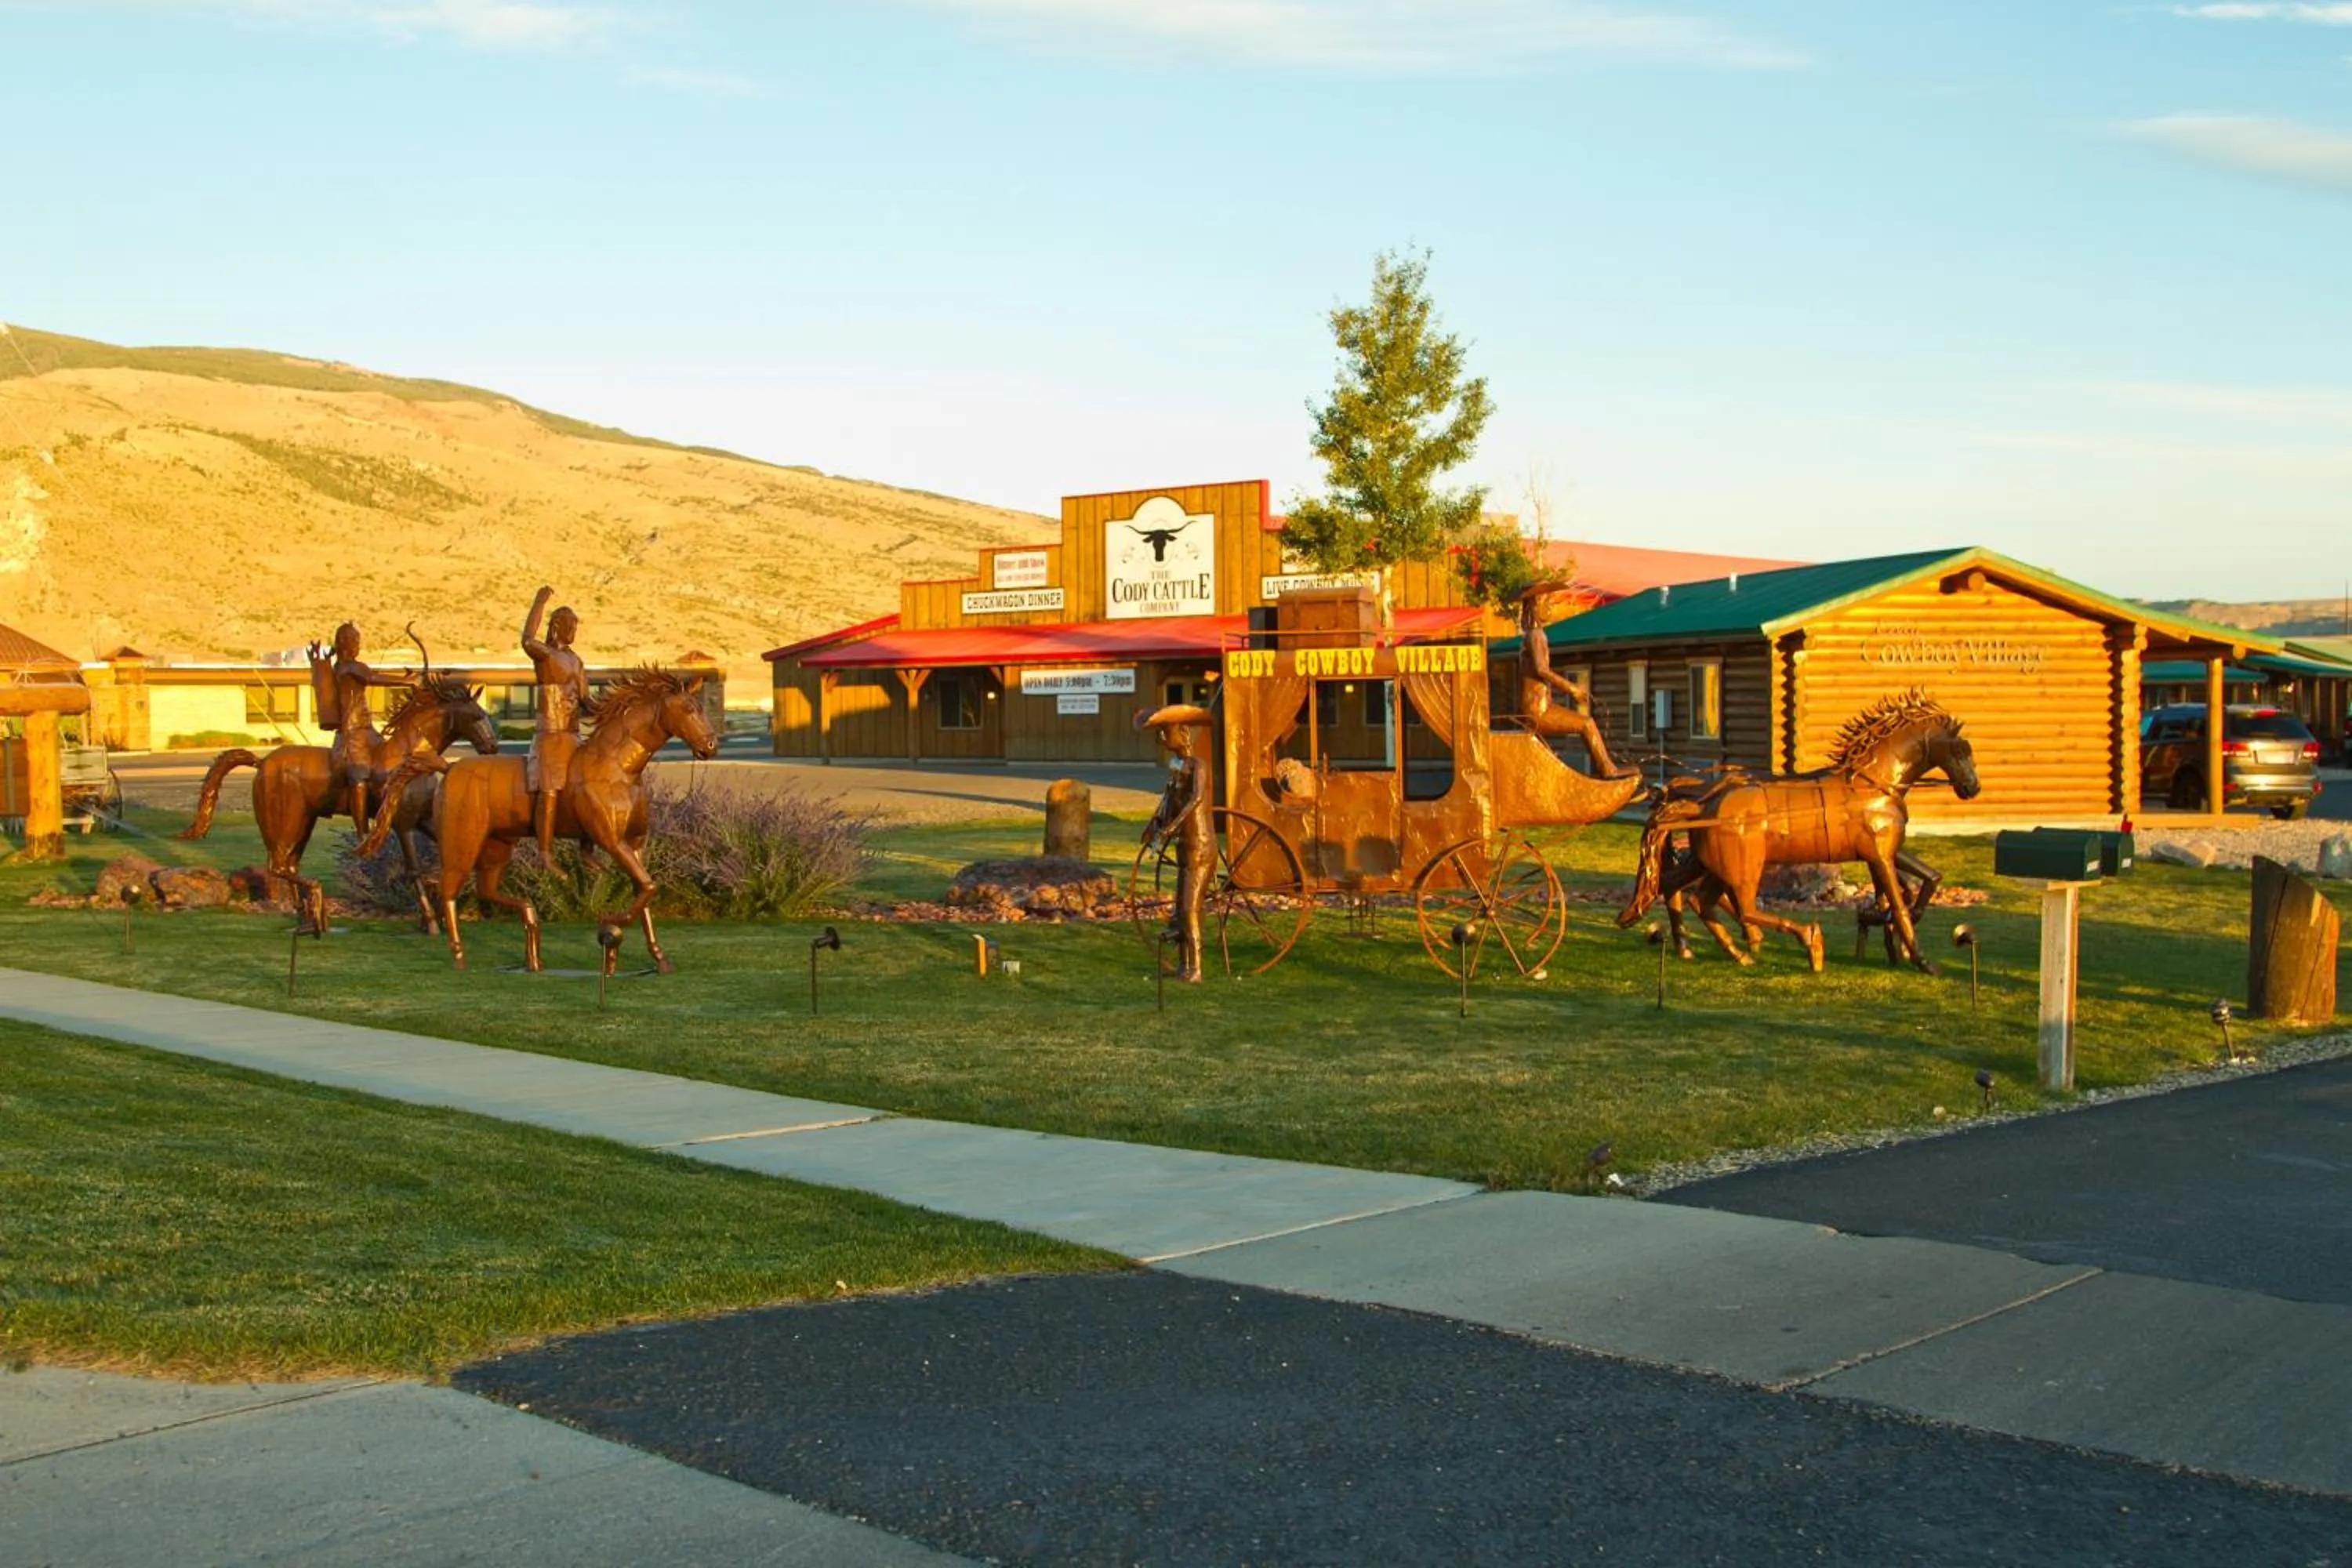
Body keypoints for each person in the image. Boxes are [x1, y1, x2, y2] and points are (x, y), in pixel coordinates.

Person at [1516, 582, 1635, 779]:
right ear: (1535, 605)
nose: (1551, 607)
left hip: (1540, 705)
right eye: (1548, 602)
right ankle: (1607, 769)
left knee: (1584, 724)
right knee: (1586, 723)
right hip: (1538, 710)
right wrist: (1573, 689)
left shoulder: (1532, 635)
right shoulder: (1536, 636)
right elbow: (1542, 670)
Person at [306, 622, 409, 829]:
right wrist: (410, 681)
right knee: (358, 776)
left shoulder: (340, 666)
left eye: (357, 640)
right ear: (344, 643)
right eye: (354, 640)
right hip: (352, 734)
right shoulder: (350, 667)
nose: (358, 645)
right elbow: (373, 678)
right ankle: (362, 832)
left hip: (366, 731)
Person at [1140, 705, 1215, 984]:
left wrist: (1173, 826)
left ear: (1183, 733)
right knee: (1181, 907)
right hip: (1185, 847)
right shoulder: (1177, 767)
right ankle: (1184, 965)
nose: (1161, 738)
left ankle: (1195, 968)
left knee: (1189, 909)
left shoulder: (1198, 766)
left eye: (1165, 731)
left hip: (1200, 845)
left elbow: (1196, 799)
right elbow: (1169, 800)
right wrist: (1155, 824)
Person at [521, 586, 590, 861]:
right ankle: (545, 853)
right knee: (549, 791)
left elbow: (587, 699)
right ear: (557, 626)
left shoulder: (576, 661)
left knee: (589, 786)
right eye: (570, 625)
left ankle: (587, 849)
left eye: (576, 625)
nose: (574, 630)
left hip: (573, 734)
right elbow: (527, 639)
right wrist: (539, 602)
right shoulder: (546, 655)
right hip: (550, 733)